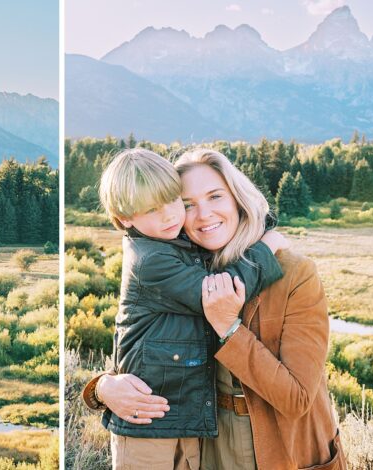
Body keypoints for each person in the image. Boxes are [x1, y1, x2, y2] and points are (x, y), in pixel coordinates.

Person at [87, 148, 344, 469]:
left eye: (215, 197)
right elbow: (143, 344)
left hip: (281, 446)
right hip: (206, 440)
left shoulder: (293, 272)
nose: (202, 214)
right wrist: (102, 388)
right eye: (189, 203)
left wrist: (230, 330)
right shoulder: (176, 264)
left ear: (238, 198)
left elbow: (297, 399)